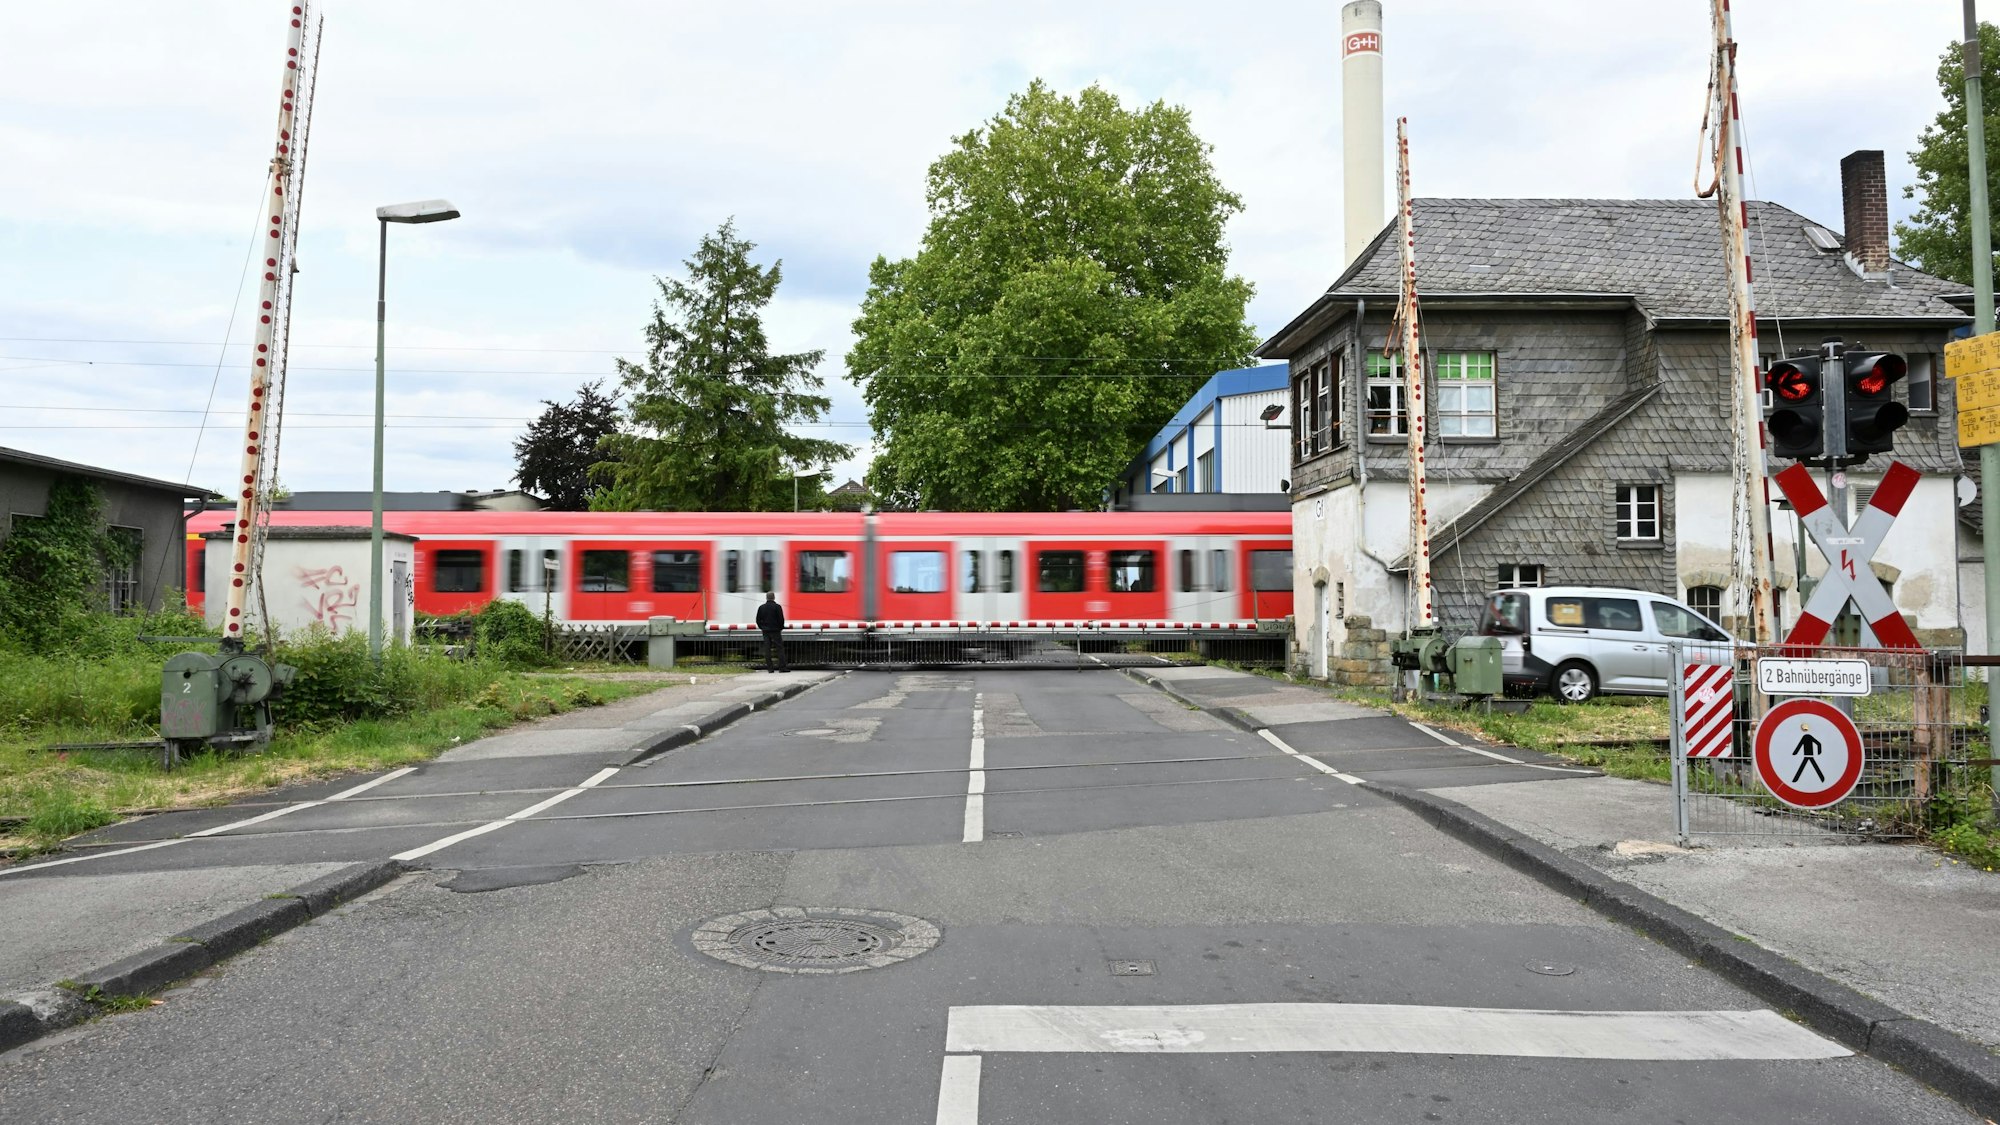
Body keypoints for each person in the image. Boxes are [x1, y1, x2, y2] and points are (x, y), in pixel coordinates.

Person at [755, 591, 788, 672]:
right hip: (776, 630)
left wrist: (762, 627)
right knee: (779, 648)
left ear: (766, 598)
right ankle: (782, 668)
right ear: (773, 598)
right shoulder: (777, 607)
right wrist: (780, 628)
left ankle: (770, 669)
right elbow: (781, 619)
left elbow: (758, 620)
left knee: (767, 649)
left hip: (765, 631)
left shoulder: (761, 607)